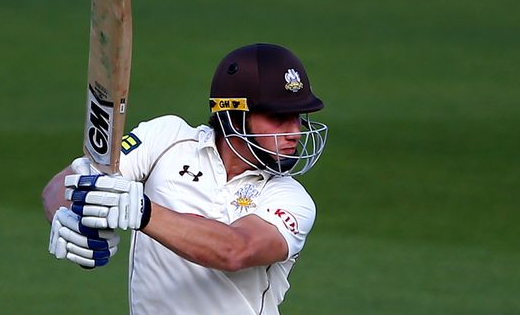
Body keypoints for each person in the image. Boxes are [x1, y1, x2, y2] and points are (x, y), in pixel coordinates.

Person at [42, 43, 328, 314]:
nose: (295, 133)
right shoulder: (166, 138)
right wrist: (68, 216)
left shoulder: (292, 199)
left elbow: (235, 250)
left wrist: (142, 212)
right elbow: (66, 184)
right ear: (233, 115)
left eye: (298, 117)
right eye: (279, 118)